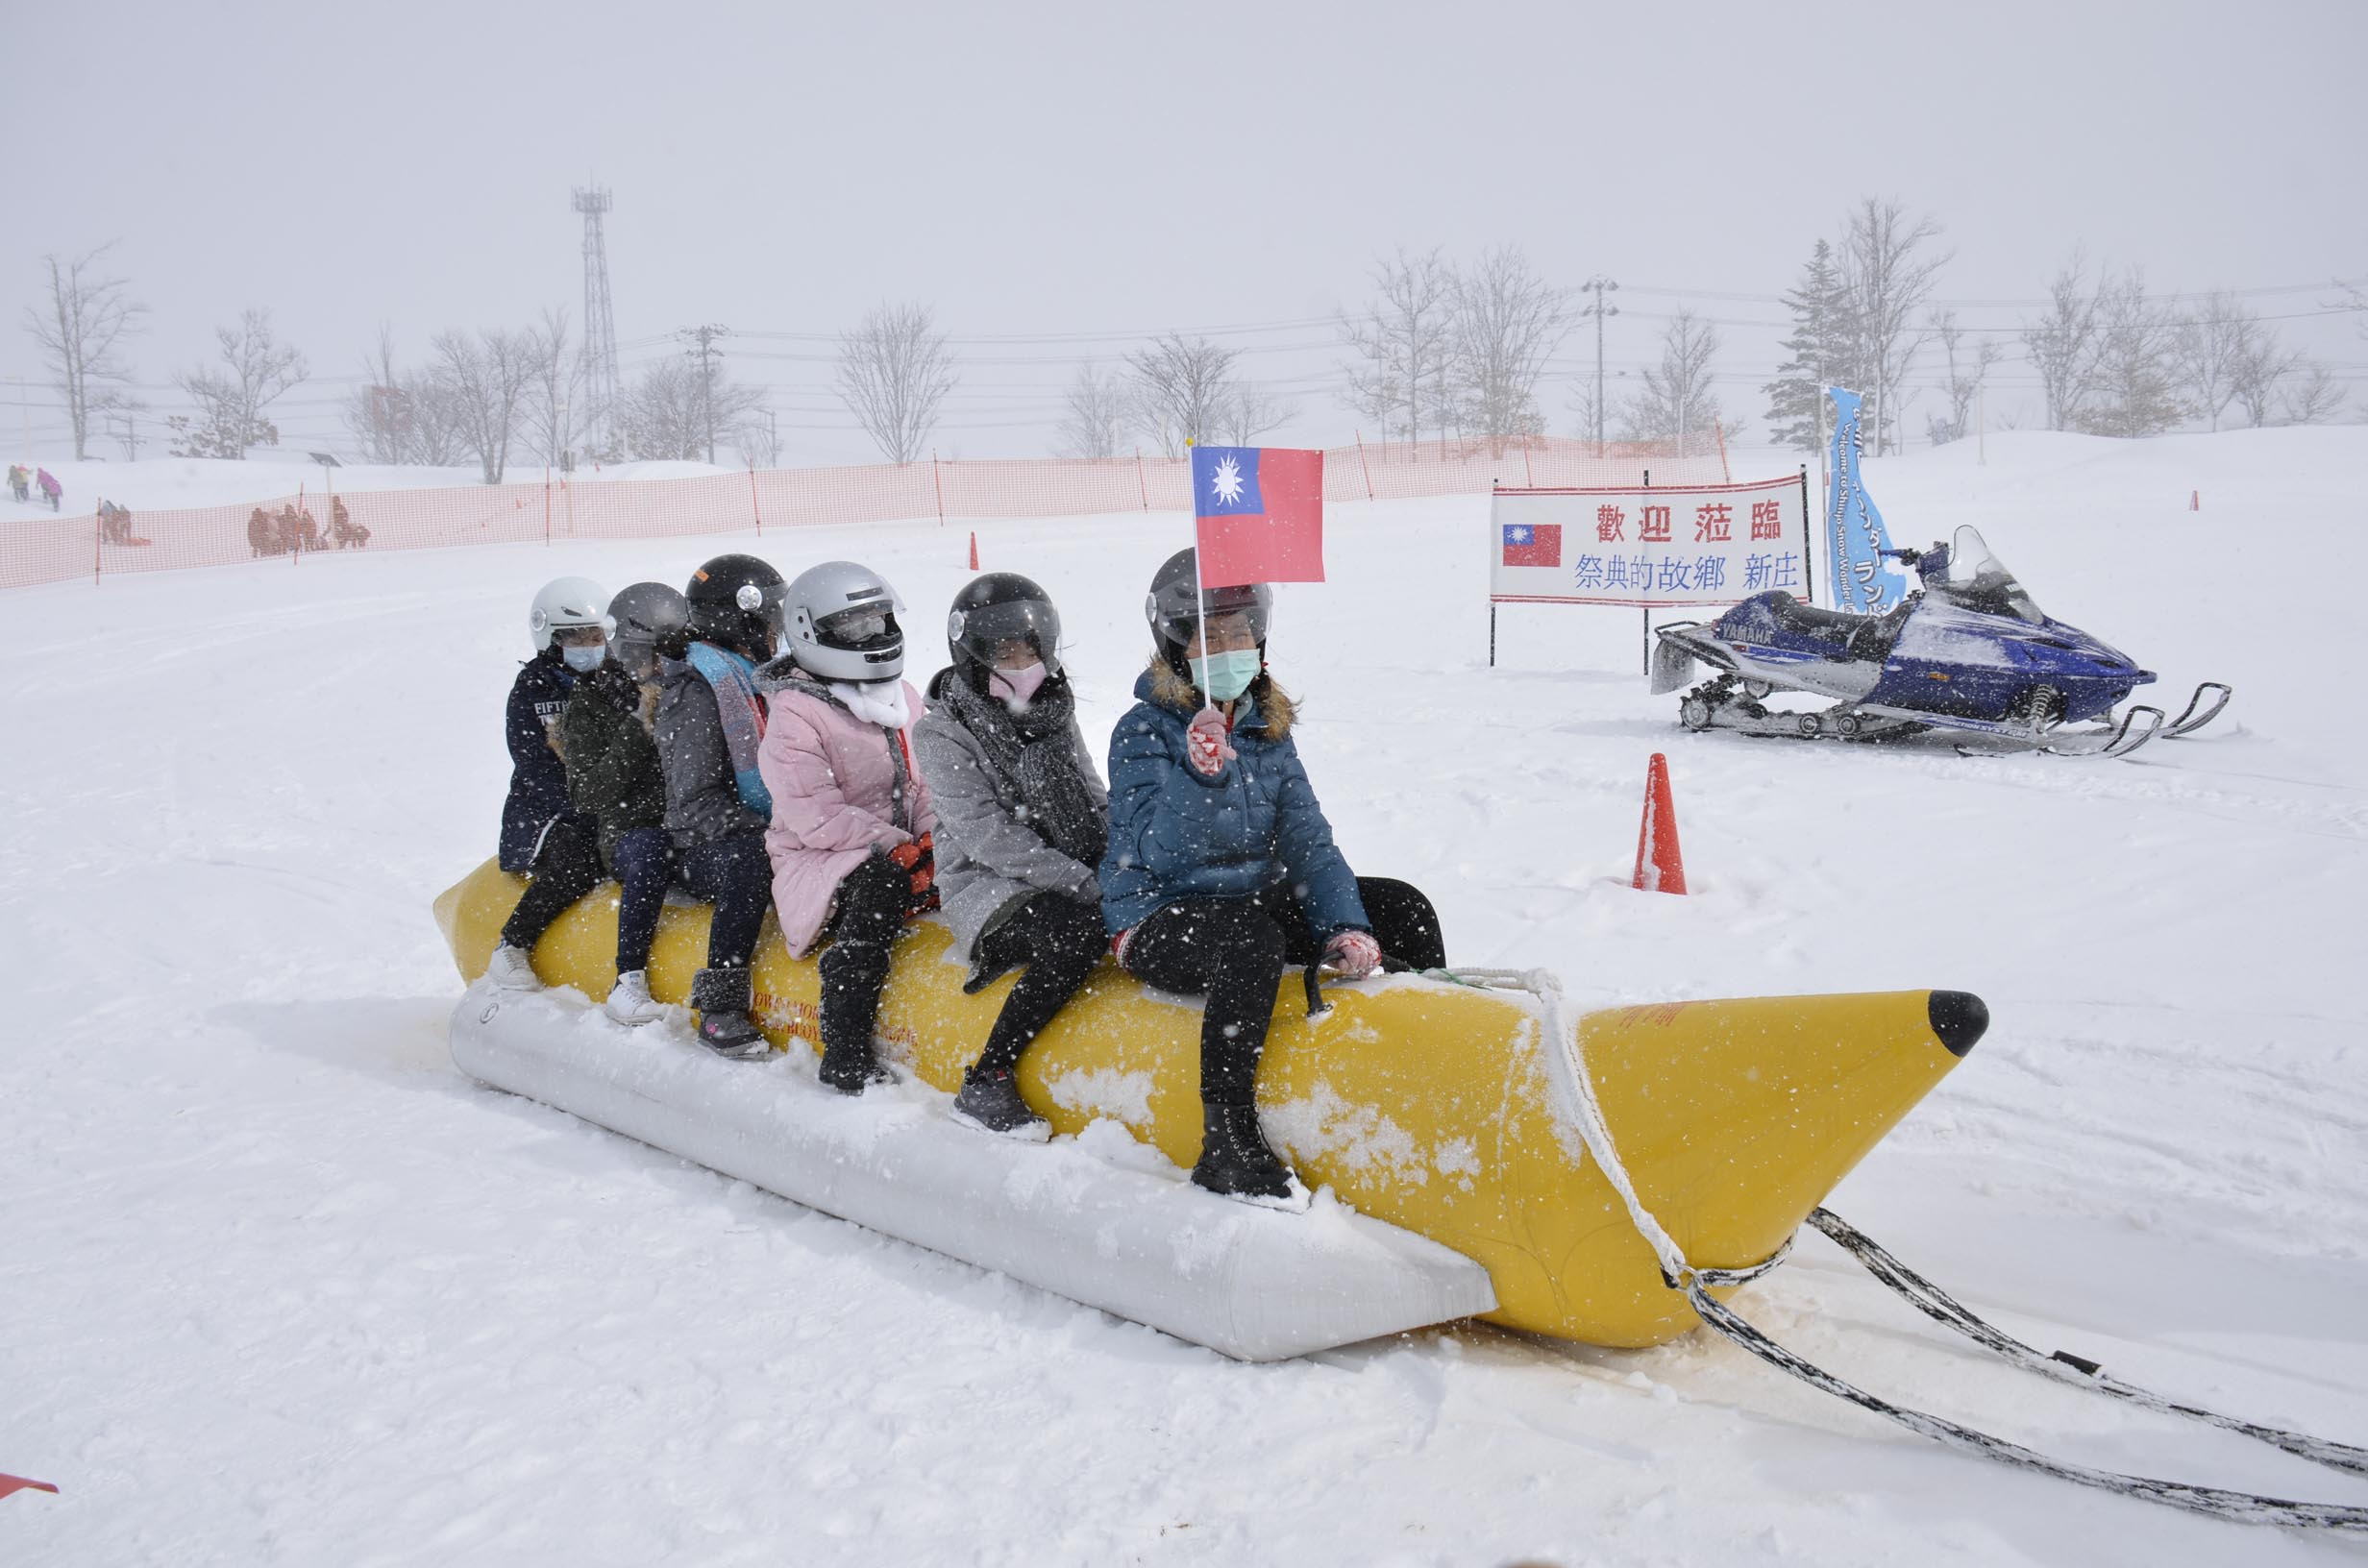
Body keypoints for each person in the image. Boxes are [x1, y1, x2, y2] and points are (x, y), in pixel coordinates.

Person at [1100, 548, 1446, 1208]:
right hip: (1157, 914)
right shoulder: (1141, 731)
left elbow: (1308, 842)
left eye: (1240, 633)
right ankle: (1224, 1140)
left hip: (1249, 900)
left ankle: (1424, 1067)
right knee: (1248, 940)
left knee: (1401, 907)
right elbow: (1157, 854)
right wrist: (1199, 777)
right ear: (1176, 643)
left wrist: (1346, 926)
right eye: (1212, 635)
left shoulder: (1268, 729)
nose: (1230, 647)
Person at [913, 573, 1109, 1139]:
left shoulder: (1053, 710)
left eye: (1029, 647)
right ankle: (988, 1075)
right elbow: (986, 835)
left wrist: (1127, 858)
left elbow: (1093, 796)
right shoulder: (942, 732)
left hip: (1065, 866)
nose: (1021, 661)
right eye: (1004, 650)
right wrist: (1080, 880)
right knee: (1076, 933)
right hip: (987, 886)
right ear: (972, 655)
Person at [754, 560, 937, 1094]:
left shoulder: (900, 697)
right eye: (855, 627)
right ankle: (845, 1043)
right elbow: (818, 818)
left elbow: (926, 787)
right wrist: (901, 850)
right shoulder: (795, 714)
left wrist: (932, 842)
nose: (874, 636)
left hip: (896, 847)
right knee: (878, 887)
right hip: (818, 857)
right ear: (813, 634)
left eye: (880, 622)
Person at [654, 552, 791, 1057]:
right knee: (752, 863)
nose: (777, 628)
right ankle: (720, 1004)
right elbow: (693, 803)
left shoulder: (760, 676)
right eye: (770, 617)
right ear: (741, 618)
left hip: (768, 826)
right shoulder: (696, 691)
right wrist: (768, 828)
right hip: (701, 846)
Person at [560, 581, 693, 1026]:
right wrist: (638, 729)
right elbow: (588, 792)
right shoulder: (592, 701)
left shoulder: (689, 690)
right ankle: (628, 978)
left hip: (694, 822)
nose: (655, 667)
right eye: (643, 655)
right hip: (631, 831)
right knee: (652, 849)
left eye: (663, 653)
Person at [482, 577, 613, 993]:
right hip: (544, 811)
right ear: (552, 639)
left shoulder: (613, 680)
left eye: (596, 635)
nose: (588, 645)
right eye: (577, 637)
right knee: (576, 859)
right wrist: (583, 806)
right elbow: (533, 763)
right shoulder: (532, 689)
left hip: (606, 801)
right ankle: (513, 944)